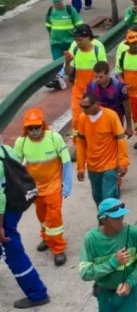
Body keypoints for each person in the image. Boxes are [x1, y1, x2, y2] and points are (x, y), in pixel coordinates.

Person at [13, 108, 72, 266]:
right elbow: (15, 166)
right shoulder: (21, 142)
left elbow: (66, 161)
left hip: (54, 186)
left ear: (43, 125)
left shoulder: (54, 138)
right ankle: (46, 238)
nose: (33, 131)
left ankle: (58, 249)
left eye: (36, 127)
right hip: (35, 189)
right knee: (42, 217)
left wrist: (67, 184)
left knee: (54, 219)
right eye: (30, 128)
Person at [0, 143, 51, 309]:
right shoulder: (5, 149)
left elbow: (0, 199)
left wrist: (0, 227)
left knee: (12, 249)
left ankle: (37, 293)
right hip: (16, 204)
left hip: (5, 211)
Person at [75, 93, 129, 206]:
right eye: (81, 106)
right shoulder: (82, 118)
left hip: (110, 165)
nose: (83, 110)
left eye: (86, 107)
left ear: (96, 104)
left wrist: (123, 162)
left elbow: (121, 140)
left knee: (108, 198)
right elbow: (81, 143)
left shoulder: (110, 116)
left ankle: (112, 222)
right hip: (93, 167)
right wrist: (80, 167)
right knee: (97, 197)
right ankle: (104, 222)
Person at [65, 24, 107, 135]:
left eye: (80, 40)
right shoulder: (74, 48)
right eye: (75, 40)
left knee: (96, 121)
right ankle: (79, 147)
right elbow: (68, 73)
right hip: (78, 92)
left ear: (88, 37)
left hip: (95, 92)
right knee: (77, 121)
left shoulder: (98, 49)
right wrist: (68, 62)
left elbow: (103, 73)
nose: (77, 42)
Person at [45, 0, 82, 90]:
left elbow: (79, 25)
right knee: (57, 63)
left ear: (62, 0)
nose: (57, 3)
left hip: (69, 43)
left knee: (69, 62)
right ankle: (59, 80)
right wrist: (51, 35)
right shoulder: (50, 11)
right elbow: (48, 25)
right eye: (55, 1)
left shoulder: (70, 10)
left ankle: (64, 78)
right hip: (55, 43)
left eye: (58, 1)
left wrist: (78, 39)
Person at [86, 61, 132, 135]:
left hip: (115, 124)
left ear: (108, 74)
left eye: (100, 77)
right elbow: (87, 107)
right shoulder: (91, 87)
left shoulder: (119, 86)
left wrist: (129, 127)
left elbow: (126, 107)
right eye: (96, 76)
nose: (97, 79)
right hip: (97, 124)